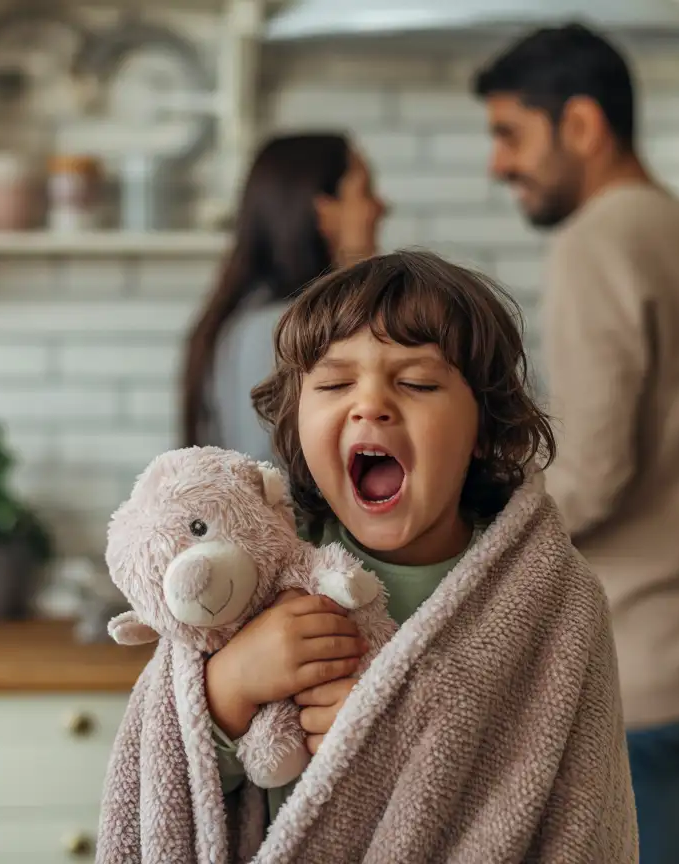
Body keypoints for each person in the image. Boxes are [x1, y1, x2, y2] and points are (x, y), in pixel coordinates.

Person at [203, 250, 638, 860]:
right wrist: (228, 689)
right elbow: (163, 779)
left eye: (417, 383)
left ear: (485, 425)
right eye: (333, 383)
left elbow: (575, 811)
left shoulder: (556, 599)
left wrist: (392, 737)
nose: (371, 405)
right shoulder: (250, 576)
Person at [473, 23, 679, 864]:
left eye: (510, 134)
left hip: (635, 653)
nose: (499, 164)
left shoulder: (599, 240)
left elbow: (594, 473)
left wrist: (472, 537)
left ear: (583, 127)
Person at [181, 132, 387, 459]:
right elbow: (274, 476)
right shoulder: (275, 329)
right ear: (322, 211)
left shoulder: (273, 321)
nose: (381, 207)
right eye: (364, 192)